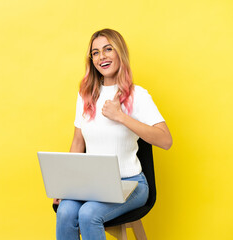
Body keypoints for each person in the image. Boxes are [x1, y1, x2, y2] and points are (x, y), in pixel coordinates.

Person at [53, 28, 173, 240]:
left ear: (120, 53)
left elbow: (165, 140)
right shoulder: (85, 95)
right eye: (96, 52)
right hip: (91, 184)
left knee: (89, 214)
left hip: (131, 184)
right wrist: (66, 186)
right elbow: (78, 142)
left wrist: (121, 116)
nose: (102, 57)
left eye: (108, 49)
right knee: (65, 211)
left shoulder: (138, 95)